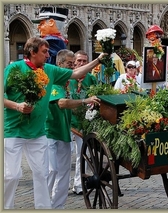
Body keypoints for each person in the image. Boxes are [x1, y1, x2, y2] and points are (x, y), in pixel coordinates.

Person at [3, 36, 106, 209]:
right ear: (32, 52)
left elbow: (77, 73)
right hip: (13, 130)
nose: (47, 55)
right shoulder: (14, 68)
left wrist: (98, 59)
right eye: (44, 52)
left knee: (42, 174)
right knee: (12, 175)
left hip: (38, 133)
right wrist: (17, 106)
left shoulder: (49, 70)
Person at [45, 49, 100, 208]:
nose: (72, 68)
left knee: (63, 173)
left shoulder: (69, 82)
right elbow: (62, 103)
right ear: (59, 64)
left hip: (64, 132)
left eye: (72, 65)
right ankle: (43, 206)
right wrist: (85, 101)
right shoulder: (55, 81)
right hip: (49, 131)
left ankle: (58, 207)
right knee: (51, 171)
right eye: (70, 64)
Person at [68, 50, 98, 195]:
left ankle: (79, 185)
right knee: (65, 155)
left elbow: (97, 96)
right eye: (79, 61)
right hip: (67, 120)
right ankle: (59, 183)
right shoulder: (68, 78)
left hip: (82, 122)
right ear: (74, 62)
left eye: (84, 61)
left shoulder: (91, 79)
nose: (81, 63)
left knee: (82, 154)